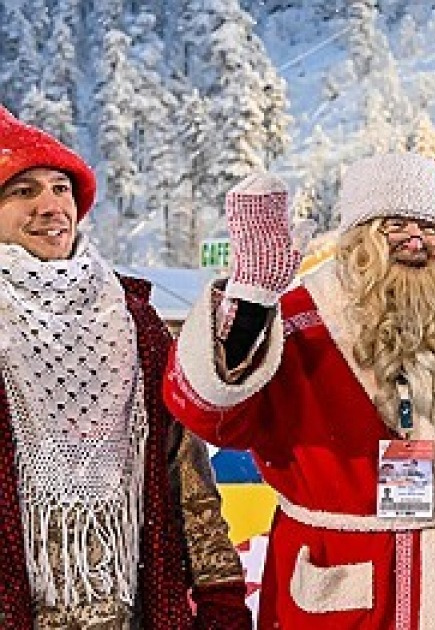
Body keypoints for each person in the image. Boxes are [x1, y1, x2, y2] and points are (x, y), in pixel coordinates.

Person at [163, 152, 435, 629]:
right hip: (339, 594)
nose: (416, 240)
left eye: (431, 229)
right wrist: (248, 305)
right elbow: (209, 413)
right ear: (358, 239)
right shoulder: (301, 323)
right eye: (395, 224)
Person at [0, 107, 251, 627]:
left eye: (61, 189)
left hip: (131, 605)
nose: (50, 206)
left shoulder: (133, 319)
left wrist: (220, 598)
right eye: (23, 192)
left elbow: (187, 472)